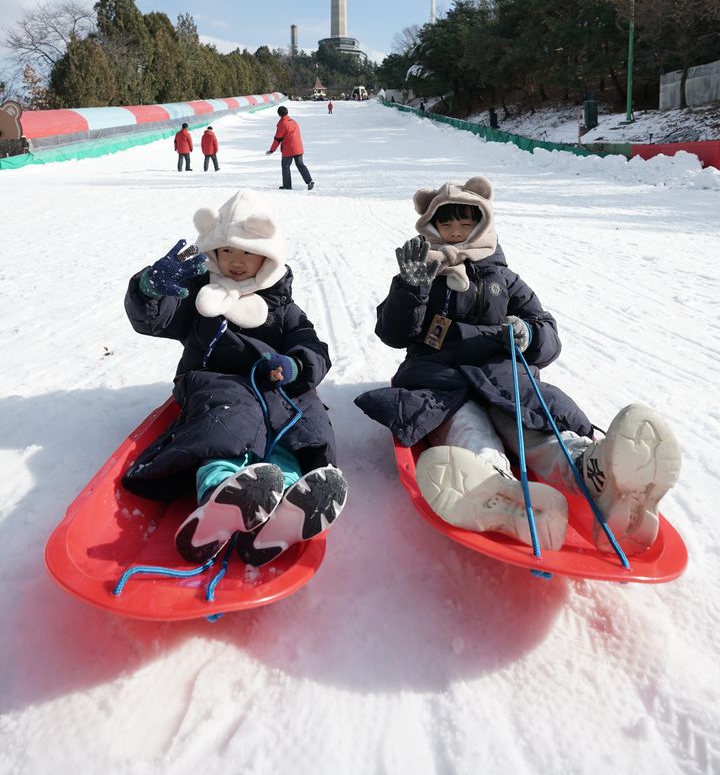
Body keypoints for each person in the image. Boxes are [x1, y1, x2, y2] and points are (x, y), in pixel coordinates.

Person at [356, 176, 681, 553]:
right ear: (432, 226)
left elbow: (548, 332)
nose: (457, 230)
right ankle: (497, 490)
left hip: (500, 378)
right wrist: (411, 288)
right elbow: (393, 333)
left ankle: (593, 470)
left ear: (482, 222)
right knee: (468, 426)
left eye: (466, 221)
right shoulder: (420, 271)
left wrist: (528, 333)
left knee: (530, 424)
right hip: (441, 379)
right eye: (447, 223)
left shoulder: (504, 278)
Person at [123, 189, 347, 566]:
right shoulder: (197, 298)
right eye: (227, 251)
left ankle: (288, 500)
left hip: (274, 384)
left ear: (268, 256)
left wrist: (294, 366)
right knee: (226, 426)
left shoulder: (282, 306)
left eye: (248, 252)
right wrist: (149, 290)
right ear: (213, 252)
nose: (237, 262)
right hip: (215, 381)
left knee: (297, 423)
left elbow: (313, 346)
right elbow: (154, 319)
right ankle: (220, 497)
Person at [266, 105, 314, 191]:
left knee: (285, 166)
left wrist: (272, 150)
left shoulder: (282, 124)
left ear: (279, 114)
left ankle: (287, 185)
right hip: (298, 147)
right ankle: (309, 181)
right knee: (300, 165)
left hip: (289, 149)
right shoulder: (293, 121)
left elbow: (278, 138)